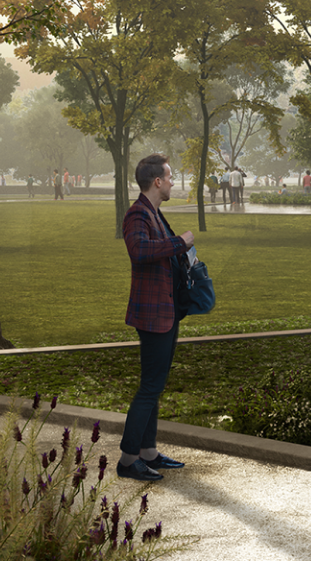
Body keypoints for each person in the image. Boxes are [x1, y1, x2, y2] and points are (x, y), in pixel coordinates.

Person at [118, 153, 195, 483]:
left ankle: (148, 453)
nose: (174, 182)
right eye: (170, 176)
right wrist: (181, 243)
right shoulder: (137, 214)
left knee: (155, 385)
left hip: (166, 312)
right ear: (157, 182)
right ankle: (127, 459)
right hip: (152, 315)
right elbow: (139, 251)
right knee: (149, 387)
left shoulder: (155, 214)